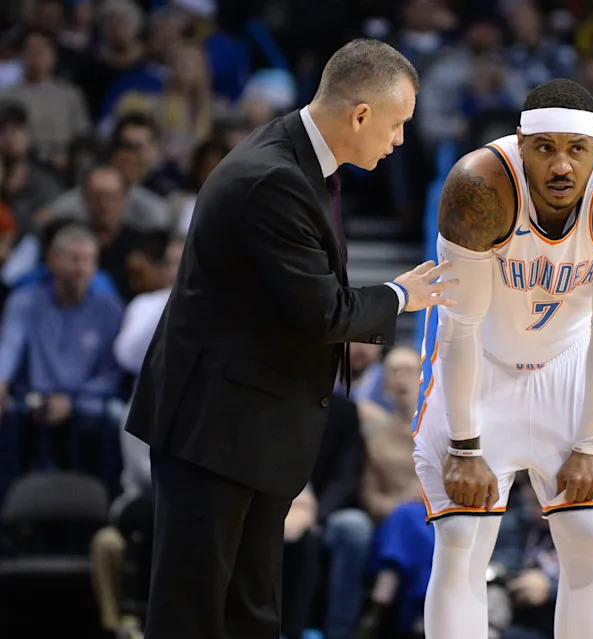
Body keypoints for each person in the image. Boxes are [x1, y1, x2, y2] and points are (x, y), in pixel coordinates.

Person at [124, 39, 456, 639]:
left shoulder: (300, 157)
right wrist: (405, 295)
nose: (402, 139)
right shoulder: (272, 180)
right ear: (360, 115)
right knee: (192, 611)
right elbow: (323, 311)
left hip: (248, 424)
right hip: (213, 427)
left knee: (251, 611)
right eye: (398, 123)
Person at [414, 78, 593, 639]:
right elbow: (460, 324)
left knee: (591, 542)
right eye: (544, 148)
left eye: (575, 150)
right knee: (460, 543)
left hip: (571, 361)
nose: (560, 166)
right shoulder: (479, 184)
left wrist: (590, 443)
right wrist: (464, 445)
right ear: (519, 142)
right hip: (479, 363)